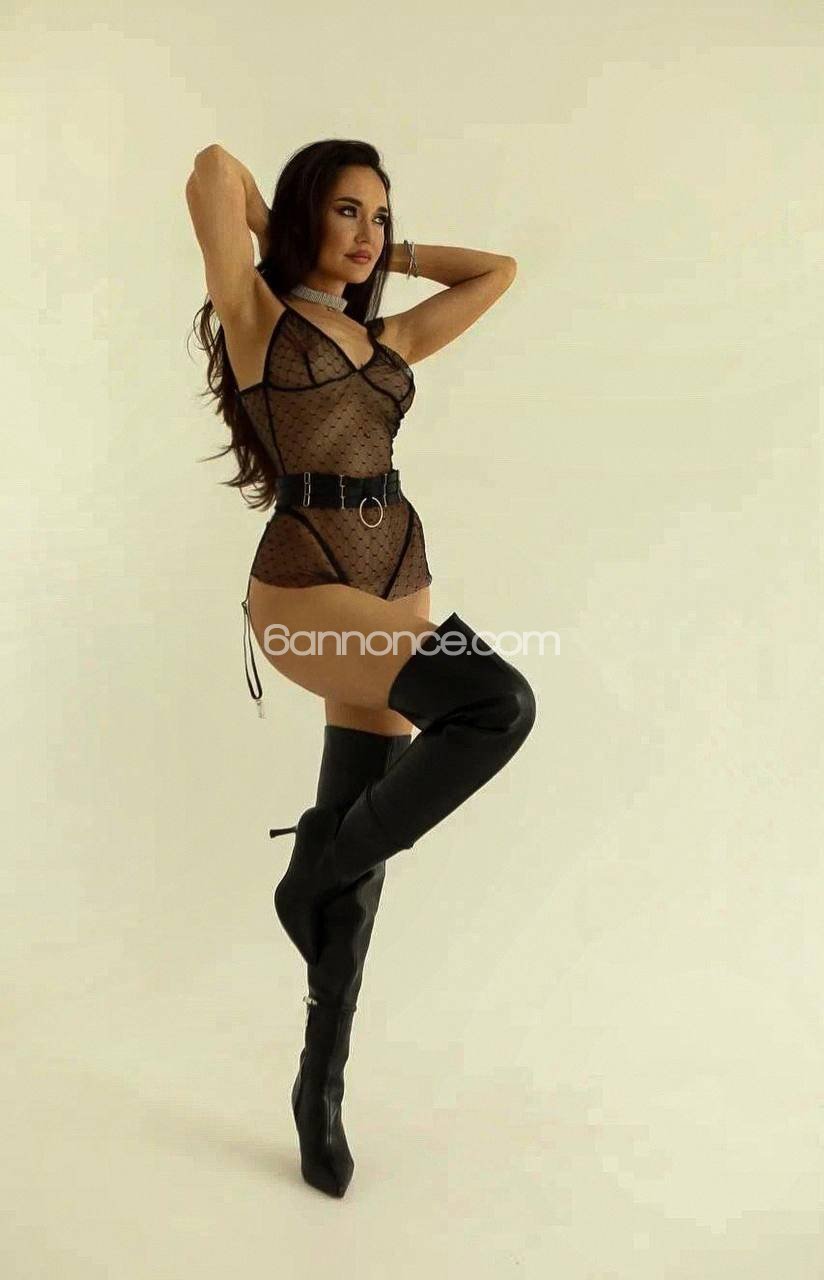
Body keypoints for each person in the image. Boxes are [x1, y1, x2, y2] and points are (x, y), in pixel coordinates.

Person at [185, 138, 537, 1198]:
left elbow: (498, 272)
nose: (368, 233)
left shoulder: (385, 335)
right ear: (305, 216)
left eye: (379, 216)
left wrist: (393, 252)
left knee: (363, 850)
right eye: (347, 211)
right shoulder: (258, 314)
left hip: (398, 574)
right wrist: (279, 231)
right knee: (496, 704)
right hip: (306, 583)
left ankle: (318, 1092)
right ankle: (315, 865)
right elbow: (212, 168)